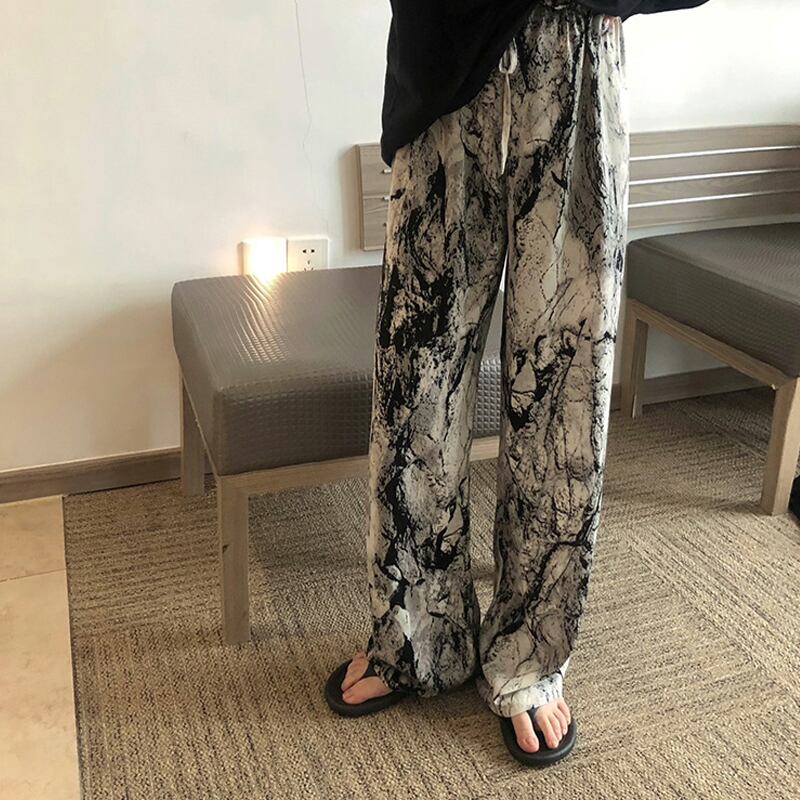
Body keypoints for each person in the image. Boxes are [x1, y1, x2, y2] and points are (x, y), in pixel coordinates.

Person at [325, 0, 712, 767]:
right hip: (444, 62)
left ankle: (529, 653)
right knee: (415, 383)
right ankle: (416, 636)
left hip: (573, 58)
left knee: (562, 388)